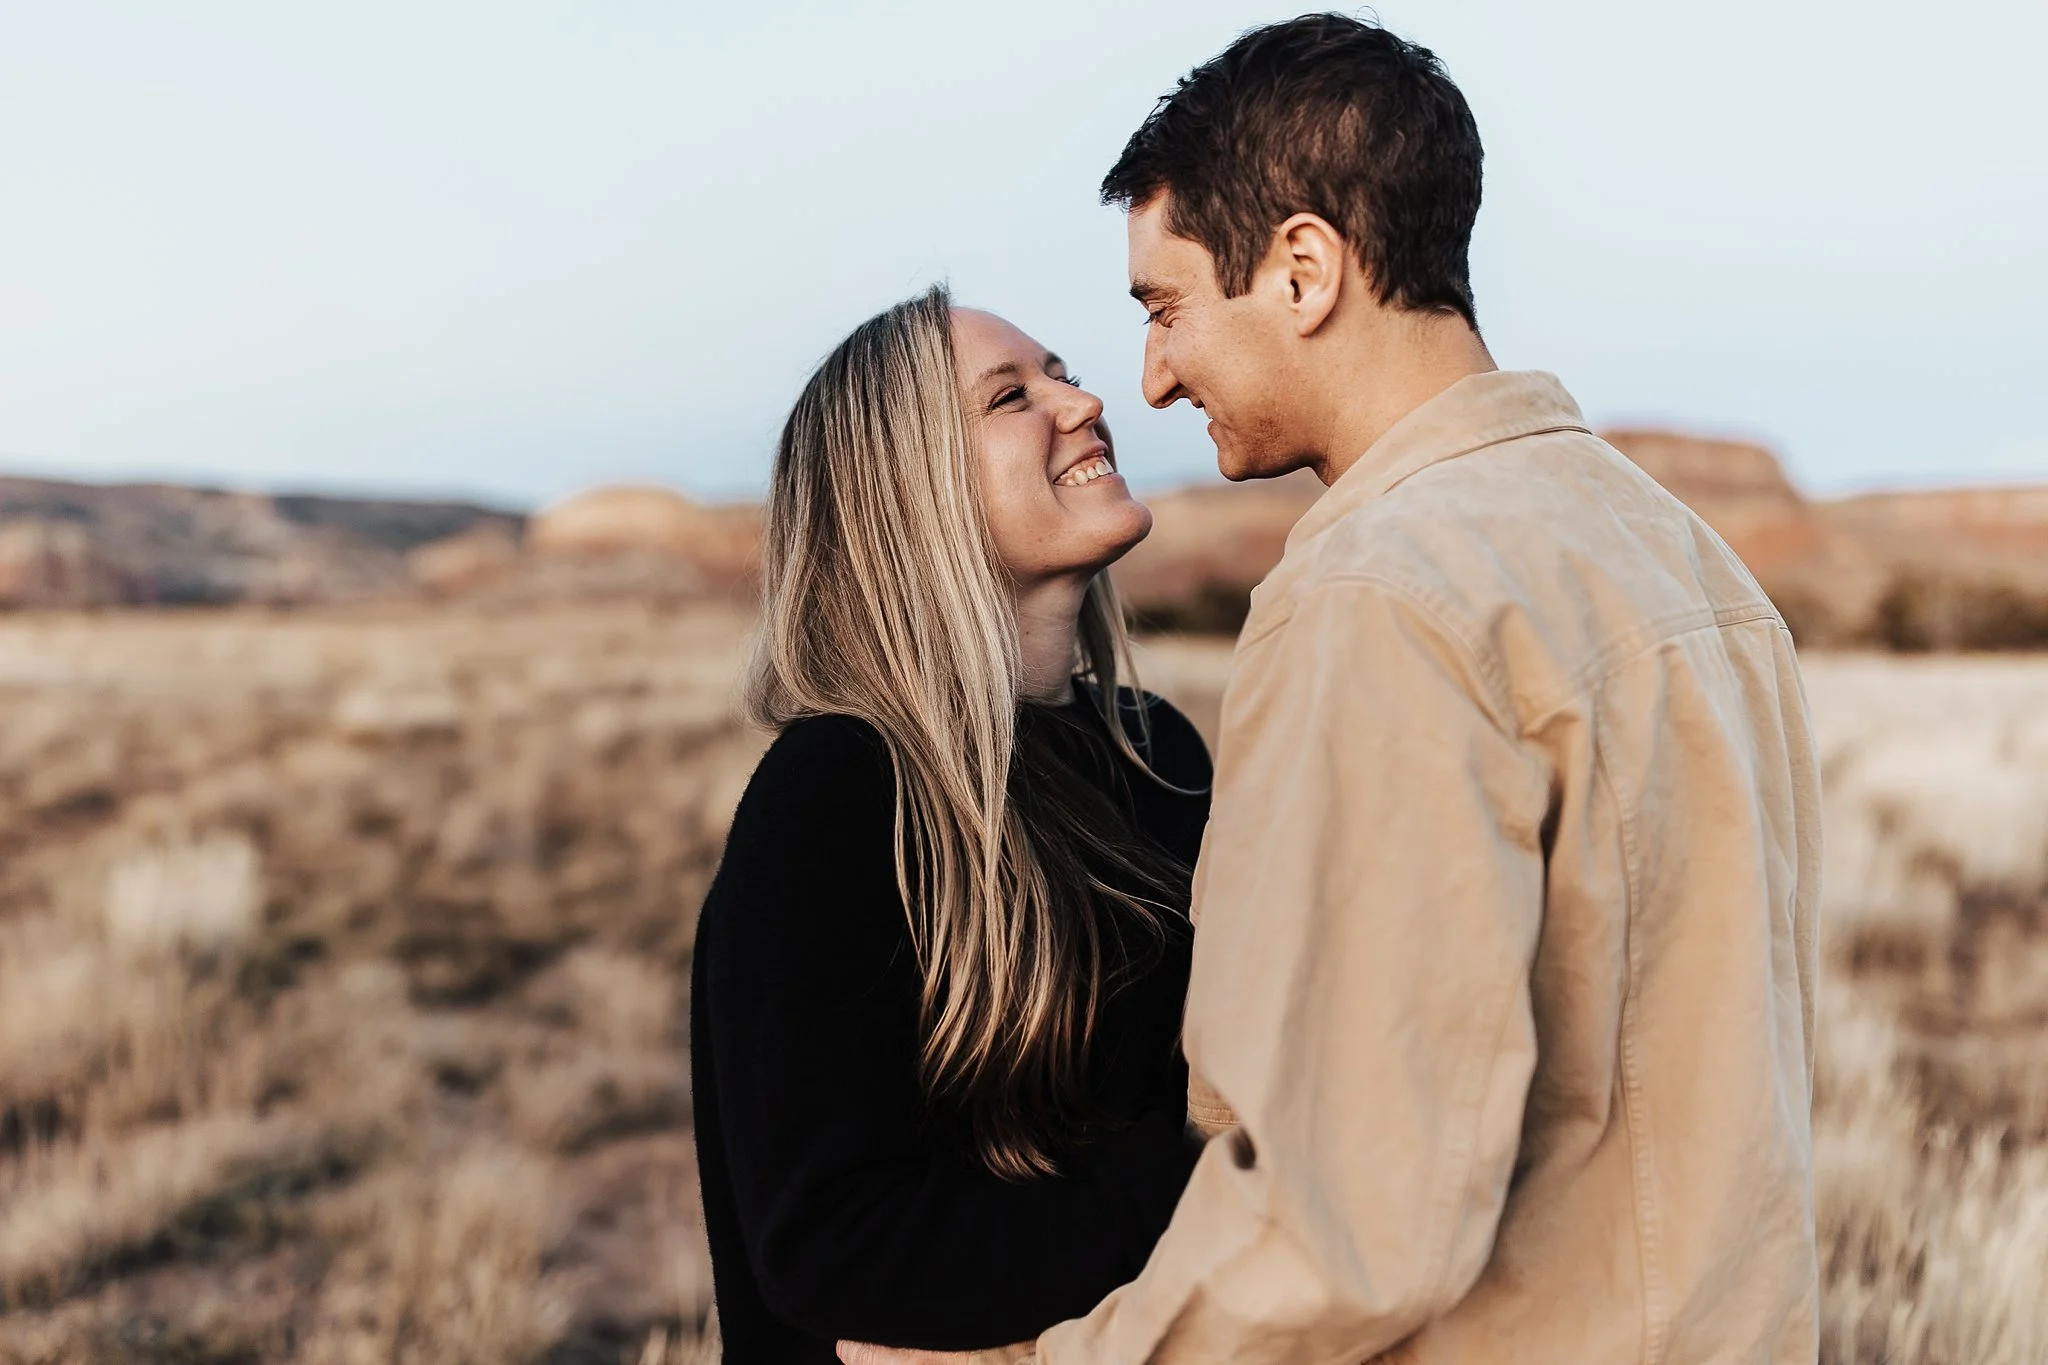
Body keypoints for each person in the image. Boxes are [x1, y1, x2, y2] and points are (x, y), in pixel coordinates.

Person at [843, 14, 1822, 1365]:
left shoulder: (1380, 591)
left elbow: (1349, 1214)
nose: (1154, 375)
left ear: (1303, 268)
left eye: (1165, 305)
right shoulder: (1680, 557)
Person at [690, 287, 1216, 1362]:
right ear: (908, 494)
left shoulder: (1158, 753)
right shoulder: (837, 792)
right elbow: (831, 1250)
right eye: (1009, 397)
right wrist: (1218, 1184)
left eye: (1059, 370)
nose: (1080, 402)